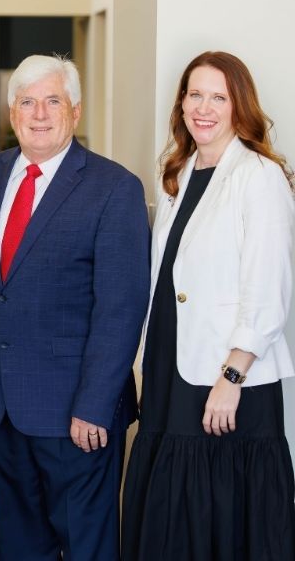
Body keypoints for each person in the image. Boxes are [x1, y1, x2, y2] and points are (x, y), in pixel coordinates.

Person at [0, 54, 150, 560]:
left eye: (53, 101)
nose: (39, 113)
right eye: (27, 101)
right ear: (12, 111)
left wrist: (94, 406)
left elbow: (121, 308)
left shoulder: (114, 188)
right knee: (20, 547)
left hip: (78, 416)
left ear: (76, 111)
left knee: (85, 549)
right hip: (2, 411)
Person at [122, 51, 295, 560]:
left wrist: (233, 376)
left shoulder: (259, 175)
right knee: (173, 518)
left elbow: (269, 290)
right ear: (181, 103)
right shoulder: (178, 172)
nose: (204, 107)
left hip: (226, 380)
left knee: (223, 518)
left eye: (218, 97)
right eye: (195, 94)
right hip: (171, 367)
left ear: (239, 106)